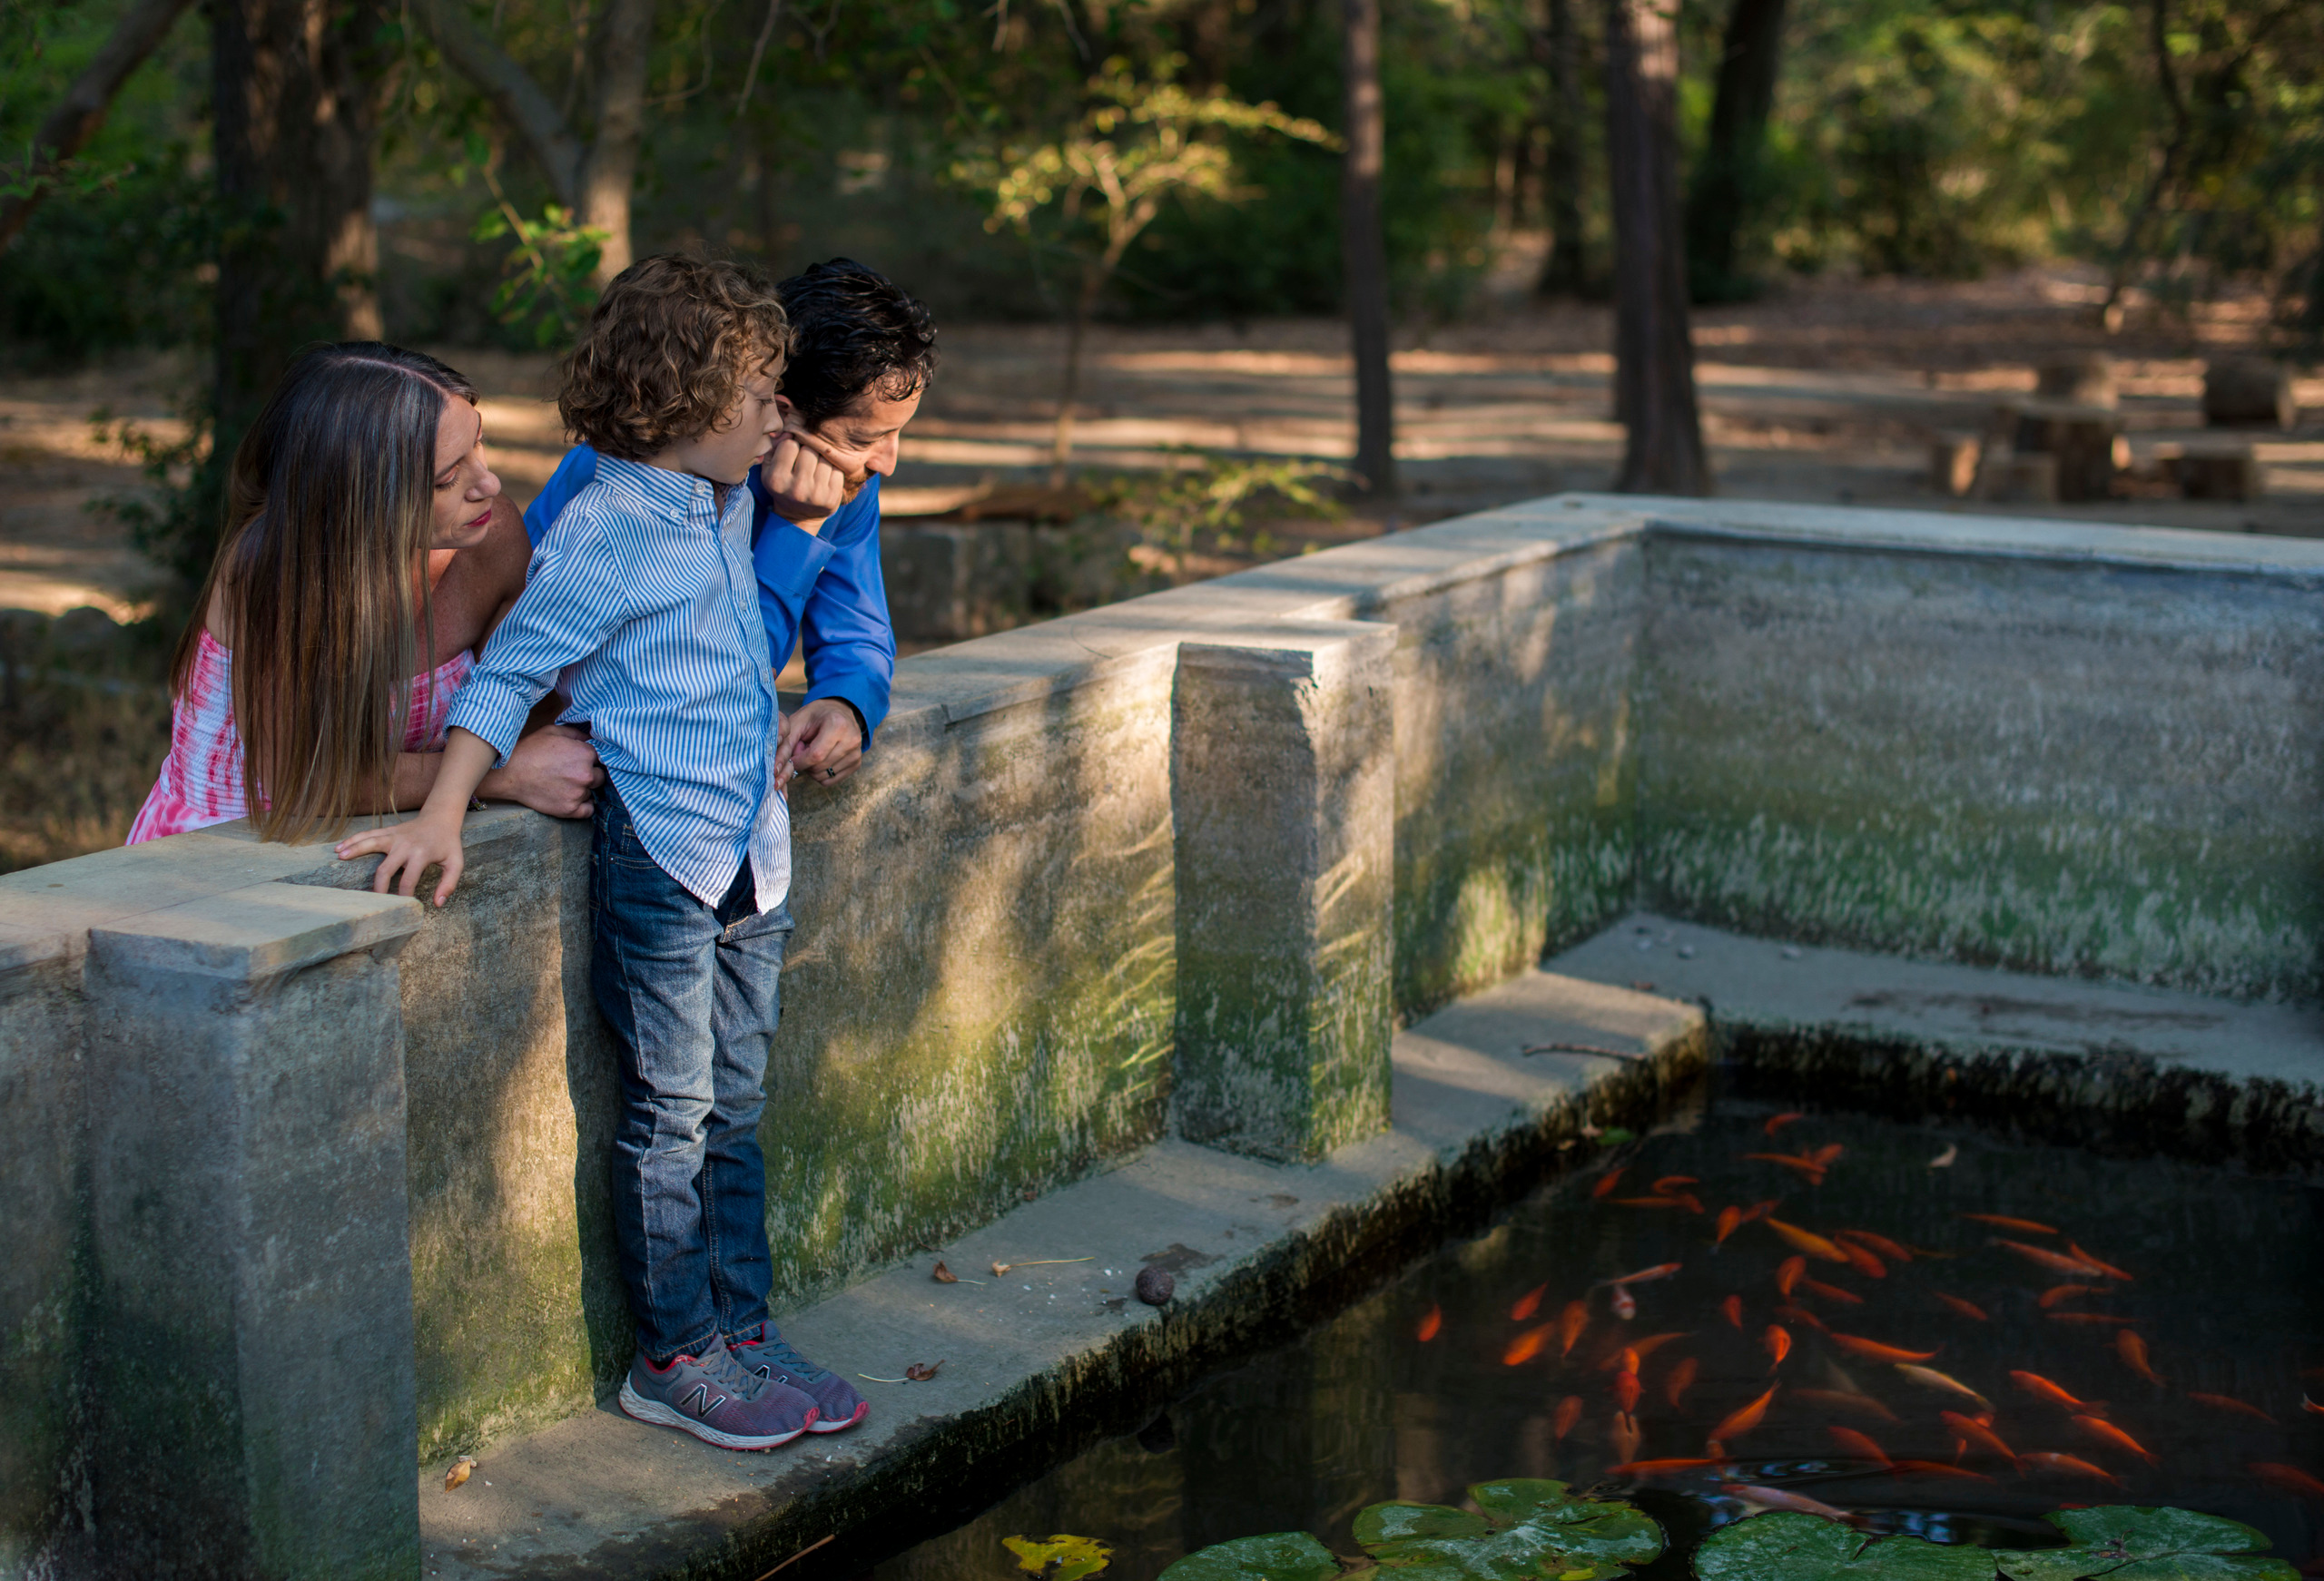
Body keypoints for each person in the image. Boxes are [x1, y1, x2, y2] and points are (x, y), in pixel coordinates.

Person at [336, 255, 865, 1452]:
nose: (778, 416)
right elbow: (512, 670)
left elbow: (726, 644)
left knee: (735, 1104)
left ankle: (743, 1324)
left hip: (749, 854)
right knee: (672, 1114)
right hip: (664, 861)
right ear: (689, 405)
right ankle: (675, 1353)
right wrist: (442, 810)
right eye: (763, 396)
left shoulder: (727, 501)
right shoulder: (611, 529)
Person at [127, 343, 603, 845]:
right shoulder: (274, 570)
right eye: (447, 479)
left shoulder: (489, 531)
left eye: (479, 444)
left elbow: (526, 702)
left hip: (399, 835)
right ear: (366, 494)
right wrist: (498, 779)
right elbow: (306, 778)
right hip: (229, 853)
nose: (488, 482)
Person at [522, 257, 935, 787]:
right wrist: (795, 532)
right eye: (862, 439)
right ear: (779, 410)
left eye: (896, 434)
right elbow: (715, 677)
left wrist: (845, 703)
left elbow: (859, 634)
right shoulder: (637, 470)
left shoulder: (848, 483)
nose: (886, 462)